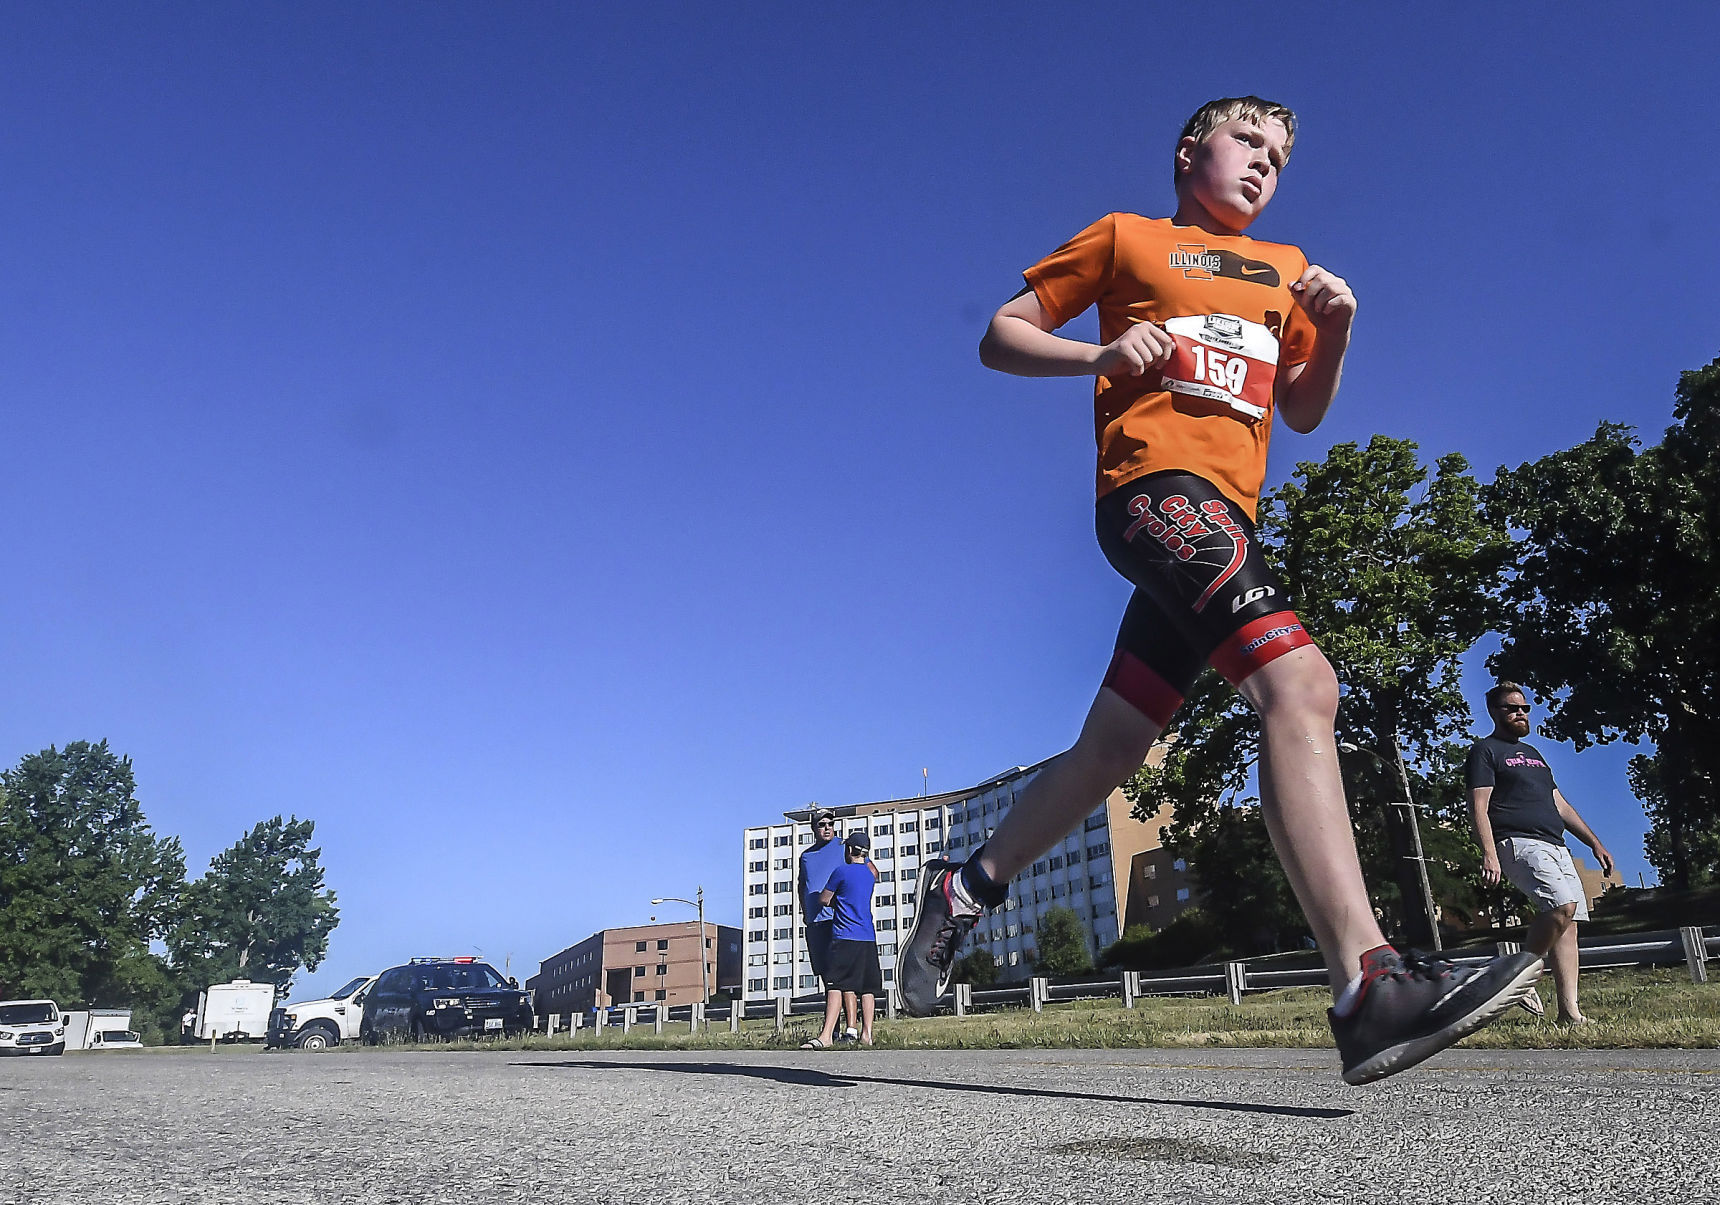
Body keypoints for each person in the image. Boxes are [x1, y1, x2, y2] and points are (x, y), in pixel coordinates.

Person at [897, 95, 1542, 1084]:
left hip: (1226, 522)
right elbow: (1001, 332)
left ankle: (968, 880)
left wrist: (1334, 330)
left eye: (1278, 159)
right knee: (1301, 685)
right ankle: (1366, 978)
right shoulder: (1127, 238)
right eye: (1248, 142)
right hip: (1153, 494)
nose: (1263, 166)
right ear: (1189, 149)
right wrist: (1101, 354)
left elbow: (1302, 408)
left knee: (1115, 745)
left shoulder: (1287, 268)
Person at [1466, 682, 1615, 1023]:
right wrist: (1489, 853)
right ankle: (1519, 974)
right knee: (1562, 906)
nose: (1520, 712)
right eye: (1511, 708)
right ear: (1494, 712)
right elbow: (1479, 806)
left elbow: (1558, 803)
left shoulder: (1534, 754)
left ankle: (1569, 1013)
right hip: (1518, 842)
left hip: (1555, 844)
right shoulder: (1485, 751)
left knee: (1569, 923)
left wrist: (1594, 842)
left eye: (1524, 707)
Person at [803, 831, 882, 1048]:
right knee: (867, 988)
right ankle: (867, 1035)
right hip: (867, 936)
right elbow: (874, 874)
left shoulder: (841, 872)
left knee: (835, 984)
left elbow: (824, 899)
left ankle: (826, 1036)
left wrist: (838, 901)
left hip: (845, 935)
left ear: (848, 850)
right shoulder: (868, 875)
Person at [797, 807, 854, 1037]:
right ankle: (834, 1031)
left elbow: (864, 872)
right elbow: (802, 886)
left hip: (839, 920)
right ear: (814, 828)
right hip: (815, 923)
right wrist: (805, 912)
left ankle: (851, 1028)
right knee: (826, 976)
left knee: (844, 976)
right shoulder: (806, 856)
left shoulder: (843, 847)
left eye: (830, 823)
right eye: (822, 824)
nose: (827, 827)